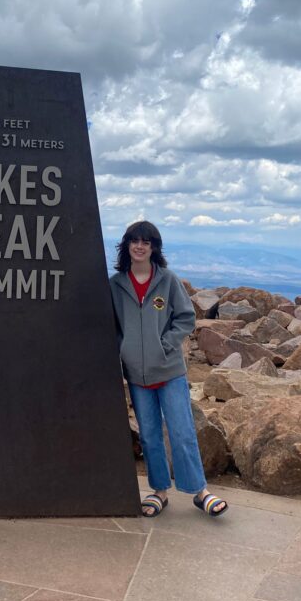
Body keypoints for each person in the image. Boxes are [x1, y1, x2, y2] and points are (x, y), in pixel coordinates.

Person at [110, 221, 227, 519]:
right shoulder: (116, 285)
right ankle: (159, 491)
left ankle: (200, 491)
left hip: (169, 370)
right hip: (136, 374)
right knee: (149, 435)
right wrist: (123, 349)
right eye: (134, 241)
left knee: (182, 431)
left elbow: (186, 318)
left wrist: (165, 343)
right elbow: (111, 325)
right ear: (127, 245)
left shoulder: (167, 280)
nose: (140, 246)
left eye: (146, 242)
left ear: (154, 247)